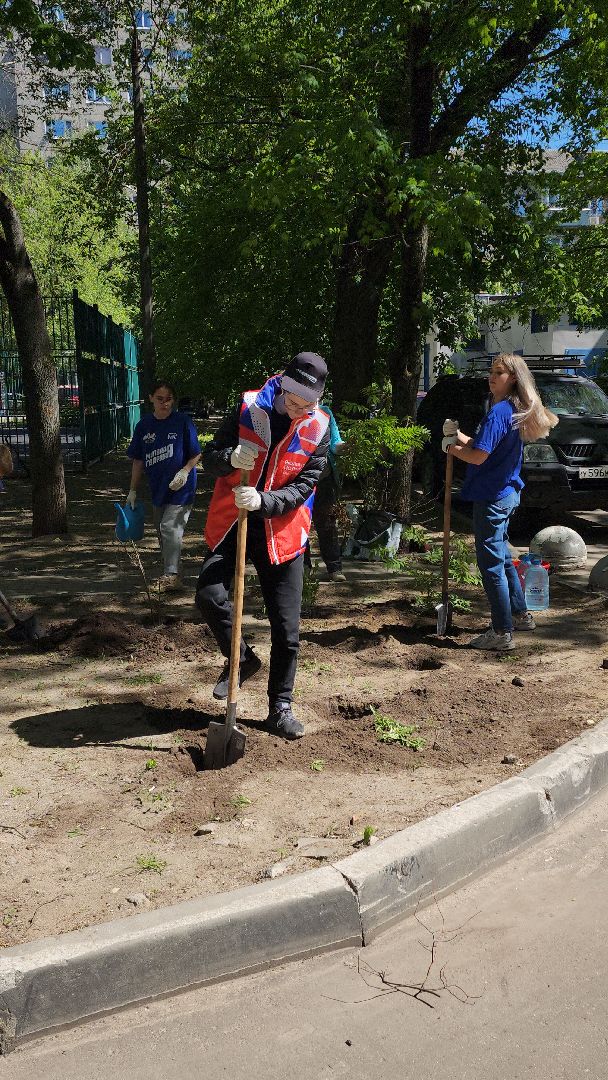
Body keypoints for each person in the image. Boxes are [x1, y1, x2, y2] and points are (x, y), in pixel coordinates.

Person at [196, 352, 330, 739]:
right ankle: (241, 659)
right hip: (233, 521)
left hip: (282, 530)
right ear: (282, 386)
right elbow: (211, 457)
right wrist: (230, 458)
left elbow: (305, 486)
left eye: (308, 404)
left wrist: (264, 502)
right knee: (208, 594)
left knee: (287, 629)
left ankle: (280, 709)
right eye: (293, 401)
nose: (298, 410)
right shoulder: (248, 406)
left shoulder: (319, 426)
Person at [442, 353, 557, 651]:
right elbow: (484, 446)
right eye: (491, 372)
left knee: (491, 564)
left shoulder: (500, 412)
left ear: (514, 378)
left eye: (500, 373)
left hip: (492, 498)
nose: (492, 377)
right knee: (504, 558)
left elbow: (479, 457)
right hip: (507, 493)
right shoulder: (512, 410)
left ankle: (502, 631)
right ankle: (519, 615)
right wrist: (459, 437)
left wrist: (452, 450)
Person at [126, 380, 202, 591]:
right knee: (161, 530)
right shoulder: (144, 426)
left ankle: (171, 575)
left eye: (169, 399)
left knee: (170, 527)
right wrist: (132, 490)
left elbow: (196, 452)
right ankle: (175, 569)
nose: (165, 403)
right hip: (158, 488)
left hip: (182, 487)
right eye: (160, 399)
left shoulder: (183, 422)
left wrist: (185, 471)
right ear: (151, 398)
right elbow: (138, 460)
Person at [305, 405, 347, 581]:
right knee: (299, 525)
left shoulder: (326, 412)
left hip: (325, 478)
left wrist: (349, 446)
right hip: (299, 479)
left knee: (328, 524)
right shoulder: (291, 411)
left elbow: (335, 444)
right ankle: (303, 569)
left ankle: (334, 568)